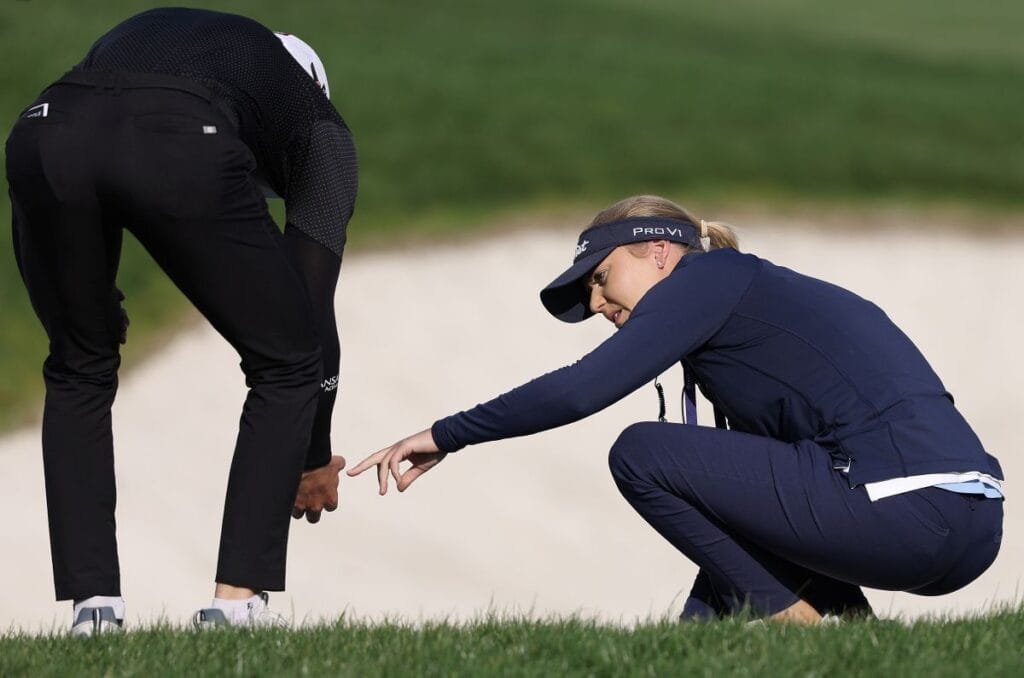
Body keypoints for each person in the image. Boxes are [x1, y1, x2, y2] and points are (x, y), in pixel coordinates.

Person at [349, 195, 1004, 623]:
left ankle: (804, 627)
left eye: (600, 279)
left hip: (906, 505)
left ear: (659, 251)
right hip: (967, 521)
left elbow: (581, 390)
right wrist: (688, 638)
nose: (597, 305)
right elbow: (744, 524)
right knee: (707, 491)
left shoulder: (707, 278)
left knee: (640, 452)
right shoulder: (746, 302)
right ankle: (846, 639)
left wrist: (446, 434)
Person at [6, 8, 356, 634]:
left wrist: (87, 306)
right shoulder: (321, 130)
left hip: (44, 128)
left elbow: (99, 137)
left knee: (79, 363)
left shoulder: (194, 47)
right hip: (178, 134)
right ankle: (235, 604)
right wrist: (311, 458)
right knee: (285, 363)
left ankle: (94, 612)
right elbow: (307, 318)